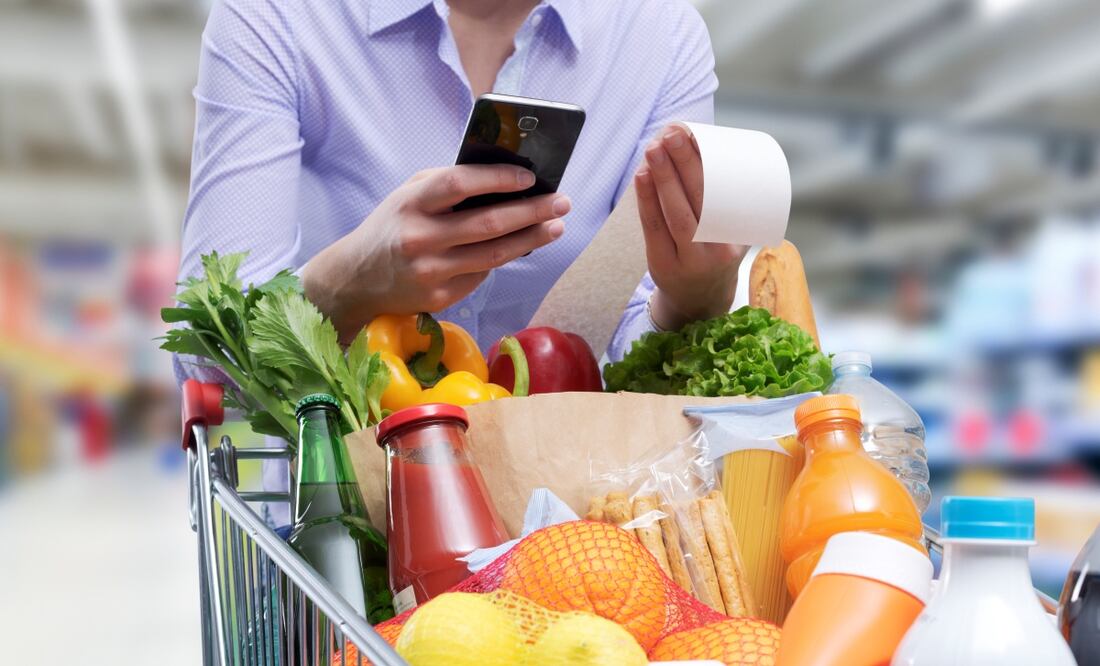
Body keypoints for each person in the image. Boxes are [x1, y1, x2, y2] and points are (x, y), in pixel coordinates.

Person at [179, 0, 748, 366]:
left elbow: (624, 344)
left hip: (555, 501)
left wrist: (687, 300)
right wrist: (344, 285)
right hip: (334, 486)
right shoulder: (277, 17)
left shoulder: (661, 35)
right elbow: (204, 348)